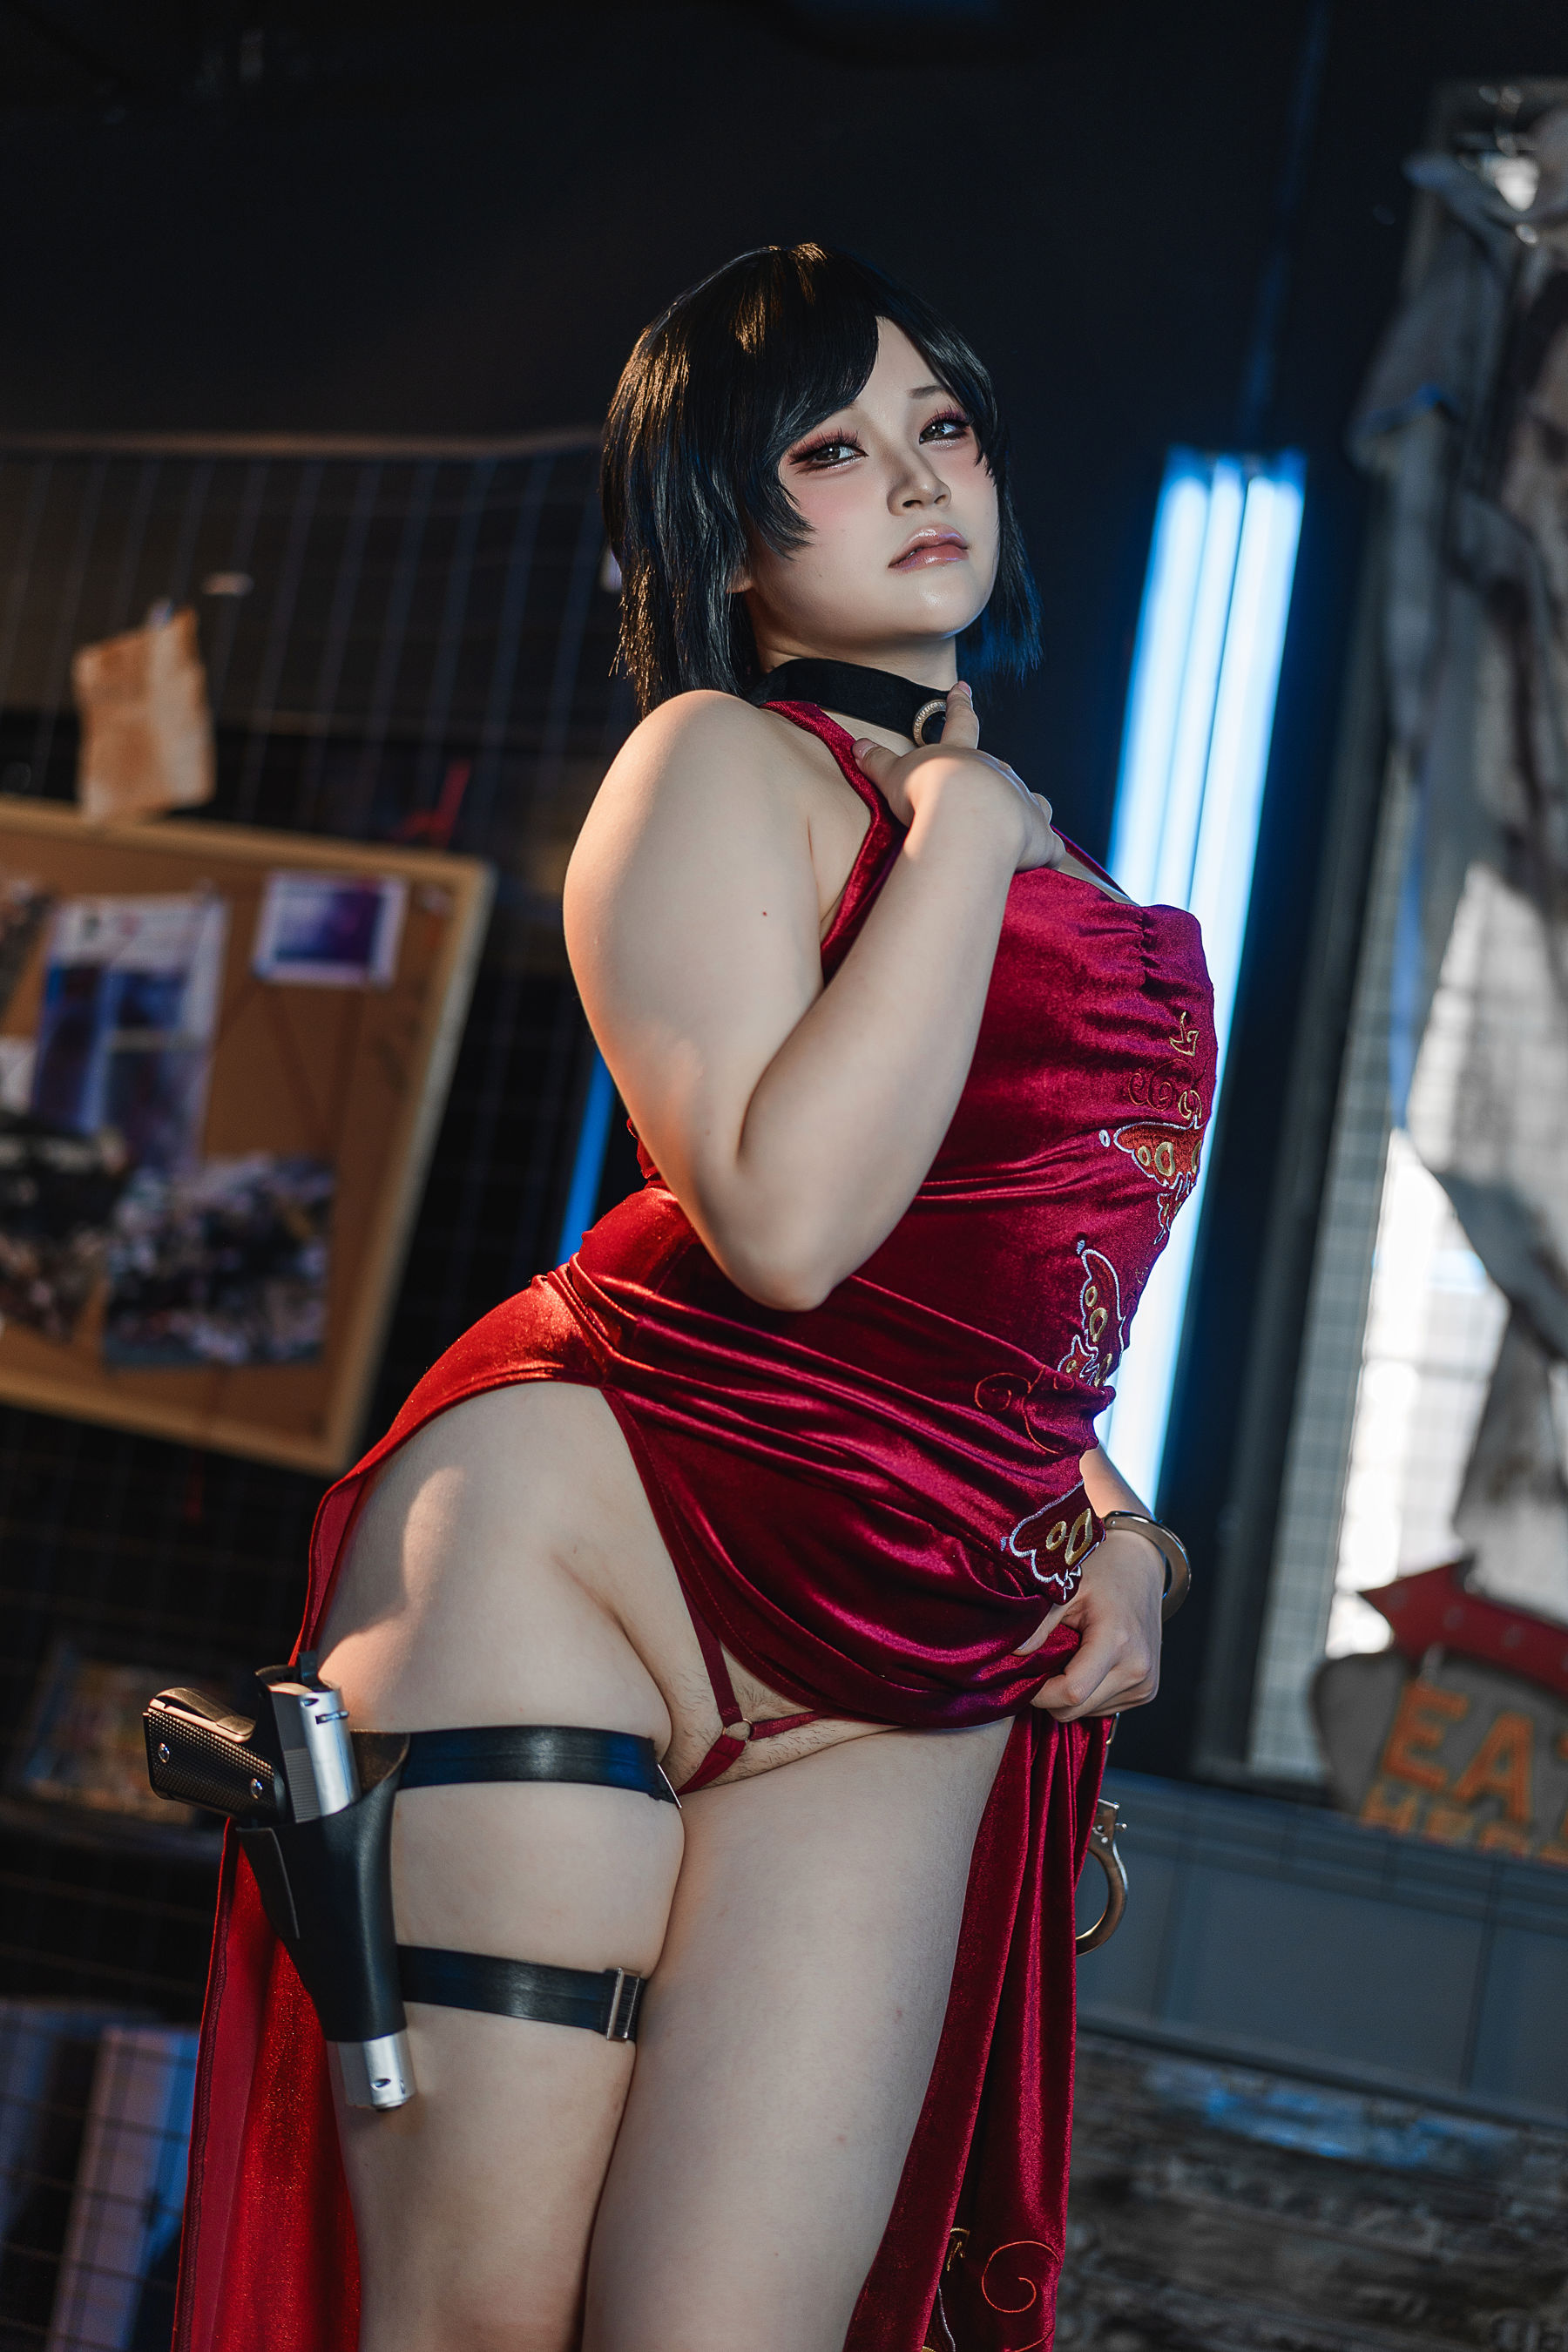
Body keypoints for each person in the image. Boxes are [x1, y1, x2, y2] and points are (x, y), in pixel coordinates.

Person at [173, 243, 1215, 2352]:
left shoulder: (1043, 863)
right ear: (725, 531)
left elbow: (993, 1289)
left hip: (910, 1620)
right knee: (472, 2319)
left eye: (941, 426)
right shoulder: (715, 764)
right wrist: (959, 835)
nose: (915, 477)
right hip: (595, 1545)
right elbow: (788, 1228)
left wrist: (1126, 1530)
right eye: (830, 449)